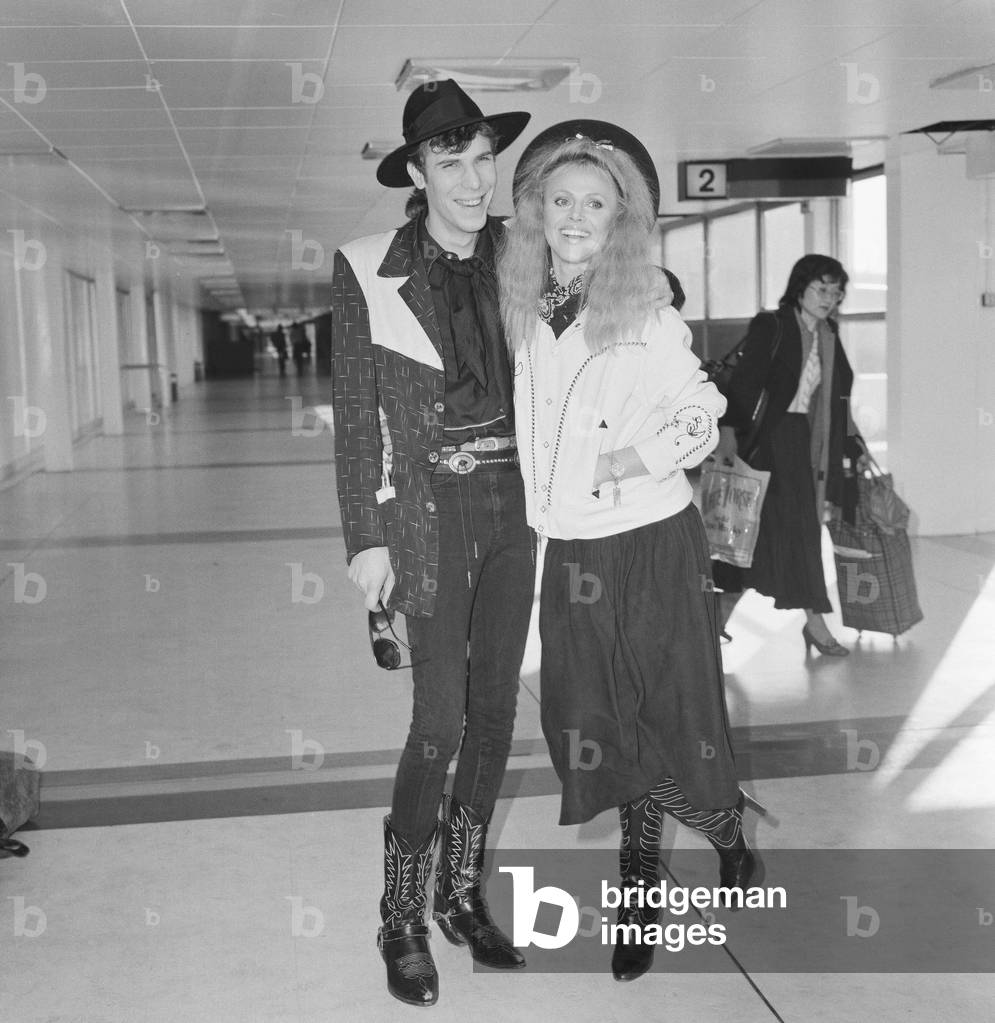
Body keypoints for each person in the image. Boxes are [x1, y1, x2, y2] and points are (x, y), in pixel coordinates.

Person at [498, 120, 759, 983]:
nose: (575, 217)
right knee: (592, 723)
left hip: (647, 541)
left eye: (595, 205)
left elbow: (701, 412)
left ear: (620, 221)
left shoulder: (645, 307)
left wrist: (625, 459)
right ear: (536, 210)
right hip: (570, 548)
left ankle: (649, 888)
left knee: (664, 718)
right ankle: (718, 836)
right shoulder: (521, 304)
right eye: (561, 200)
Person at [331, 80, 534, 1007]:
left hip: (517, 506)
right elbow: (353, 423)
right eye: (449, 162)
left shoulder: (523, 257)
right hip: (430, 510)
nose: (471, 178)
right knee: (439, 721)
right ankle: (399, 912)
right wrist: (364, 541)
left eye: (483, 158)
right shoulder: (367, 265)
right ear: (415, 171)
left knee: (496, 715)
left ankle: (459, 891)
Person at [711, 254, 864, 656]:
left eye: (836, 292)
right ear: (801, 287)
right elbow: (745, 383)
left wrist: (854, 446)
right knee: (752, 534)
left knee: (795, 535)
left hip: (805, 445)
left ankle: (810, 622)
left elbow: (840, 400)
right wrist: (728, 433)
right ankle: (719, 620)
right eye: (822, 288)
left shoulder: (828, 334)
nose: (829, 298)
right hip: (767, 443)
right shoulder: (773, 325)